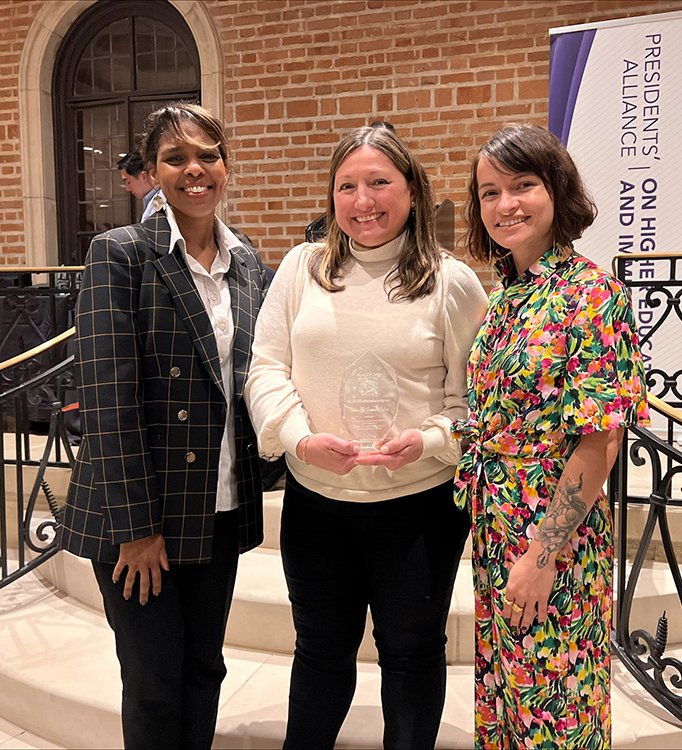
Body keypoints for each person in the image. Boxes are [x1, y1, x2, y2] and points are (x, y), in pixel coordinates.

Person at [245, 123, 488, 749]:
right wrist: (299, 438)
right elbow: (267, 370)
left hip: (417, 511)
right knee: (321, 652)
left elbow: (478, 404)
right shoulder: (303, 267)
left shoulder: (450, 281)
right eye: (347, 185)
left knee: (410, 656)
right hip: (315, 507)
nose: (363, 200)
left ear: (412, 192)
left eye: (380, 182)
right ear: (331, 196)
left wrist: (429, 440)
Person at [59, 103, 271, 750]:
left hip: (219, 502)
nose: (195, 169)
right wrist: (136, 529)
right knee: (154, 682)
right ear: (152, 172)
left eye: (208, 154)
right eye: (176, 158)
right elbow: (107, 396)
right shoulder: (120, 254)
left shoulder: (249, 263)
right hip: (141, 515)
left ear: (226, 165)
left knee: (204, 668)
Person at [455, 123, 649, 749]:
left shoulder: (591, 294)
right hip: (497, 528)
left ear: (556, 191)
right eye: (489, 193)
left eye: (522, 186)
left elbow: (601, 442)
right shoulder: (509, 294)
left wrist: (542, 556)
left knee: (555, 713)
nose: (504, 204)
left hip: (552, 542)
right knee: (507, 702)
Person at [117, 150, 162, 220]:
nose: (127, 188)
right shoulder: (151, 200)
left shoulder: (161, 201)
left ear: (143, 176)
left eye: (128, 182)